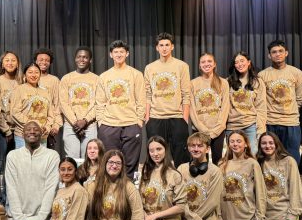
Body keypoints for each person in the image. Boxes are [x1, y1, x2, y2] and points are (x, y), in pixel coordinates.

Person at [95, 40, 146, 178]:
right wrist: (100, 122)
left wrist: (139, 121)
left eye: (121, 52)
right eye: (115, 52)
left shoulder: (136, 74)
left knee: (130, 164)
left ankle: (128, 194)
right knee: (109, 163)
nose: (119, 54)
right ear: (111, 55)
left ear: (127, 54)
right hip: (109, 125)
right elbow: (99, 102)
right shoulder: (104, 76)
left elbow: (141, 100)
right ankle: (110, 194)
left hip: (131, 124)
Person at [144, 33, 192, 166]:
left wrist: (184, 119)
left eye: (167, 45)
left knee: (181, 157)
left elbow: (186, 94)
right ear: (157, 48)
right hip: (155, 117)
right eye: (161, 45)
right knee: (156, 157)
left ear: (172, 47)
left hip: (177, 117)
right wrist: (147, 118)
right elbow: (147, 94)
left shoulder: (182, 66)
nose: (164, 48)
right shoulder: (150, 67)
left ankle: (181, 184)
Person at [259, 41, 302, 162]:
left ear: (286, 53)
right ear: (269, 55)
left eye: (280, 51)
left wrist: (291, 110)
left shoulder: (296, 73)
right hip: (270, 122)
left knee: (292, 158)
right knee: (270, 158)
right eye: (274, 52)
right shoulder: (262, 75)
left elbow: (300, 98)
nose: (277, 54)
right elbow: (260, 101)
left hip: (291, 123)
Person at [59, 47, 98, 163]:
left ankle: (88, 181)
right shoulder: (66, 78)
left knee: (89, 158)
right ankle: (72, 182)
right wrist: (76, 123)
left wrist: (85, 121)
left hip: (90, 125)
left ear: (90, 60)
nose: (82, 59)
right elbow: (63, 103)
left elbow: (99, 104)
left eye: (85, 57)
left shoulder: (97, 79)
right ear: (75, 59)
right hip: (71, 125)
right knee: (72, 158)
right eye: (79, 57)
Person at [0, 51, 23, 199]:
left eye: (13, 60)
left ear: (18, 63)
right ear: (2, 64)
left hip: (18, 129)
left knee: (15, 166)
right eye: (7, 60)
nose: (10, 63)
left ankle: (13, 198)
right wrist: (6, 130)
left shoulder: (22, 81)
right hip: (1, 129)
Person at [189, 53, 230, 164]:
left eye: (209, 61)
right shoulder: (192, 84)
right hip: (199, 130)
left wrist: (217, 129)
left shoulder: (223, 83)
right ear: (199, 65)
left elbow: (225, 107)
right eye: (203, 62)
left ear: (214, 64)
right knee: (200, 162)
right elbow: (192, 109)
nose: (206, 64)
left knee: (217, 161)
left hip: (218, 131)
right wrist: (203, 130)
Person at [10, 63, 58, 149]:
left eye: (36, 72)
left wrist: (46, 127)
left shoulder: (45, 92)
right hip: (23, 135)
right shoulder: (19, 90)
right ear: (25, 75)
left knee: (40, 162)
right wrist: (35, 126)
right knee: (24, 162)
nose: (33, 75)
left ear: (40, 75)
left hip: (42, 136)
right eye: (30, 72)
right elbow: (15, 113)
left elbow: (51, 115)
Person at [227, 51, 266, 156]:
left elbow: (261, 107)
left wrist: (261, 129)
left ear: (249, 62)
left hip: (250, 125)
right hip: (231, 126)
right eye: (236, 62)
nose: (239, 64)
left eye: (242, 61)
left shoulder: (257, 82)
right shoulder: (227, 82)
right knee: (232, 157)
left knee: (252, 155)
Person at [34, 47, 62, 148]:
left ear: (50, 63)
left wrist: (56, 125)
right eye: (41, 60)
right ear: (36, 61)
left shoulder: (54, 80)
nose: (44, 62)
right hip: (31, 125)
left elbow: (57, 104)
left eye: (47, 60)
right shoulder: (27, 78)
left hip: (48, 126)